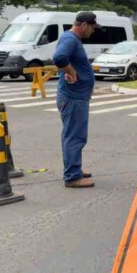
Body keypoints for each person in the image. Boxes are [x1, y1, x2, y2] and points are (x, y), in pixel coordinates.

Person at [53, 12, 100, 188]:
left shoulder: (71, 39)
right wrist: (71, 72)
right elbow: (59, 58)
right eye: (92, 28)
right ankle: (72, 176)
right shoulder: (70, 39)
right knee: (74, 136)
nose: (93, 32)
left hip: (75, 96)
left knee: (74, 135)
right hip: (73, 97)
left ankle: (75, 169)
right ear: (84, 25)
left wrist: (71, 71)